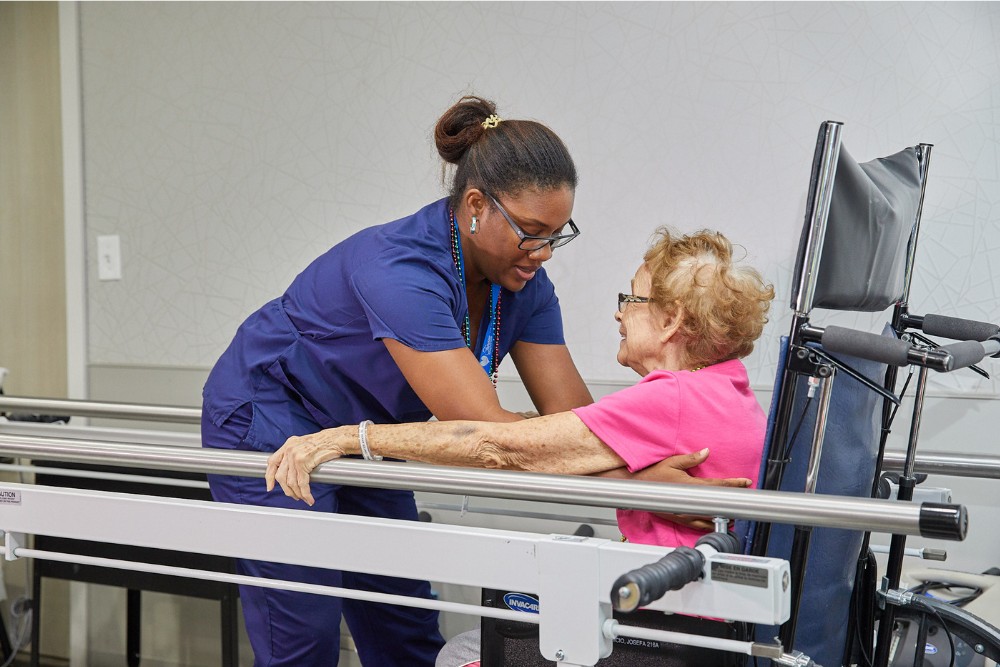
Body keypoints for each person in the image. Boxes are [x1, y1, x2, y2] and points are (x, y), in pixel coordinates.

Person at [202, 95, 729, 667]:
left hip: (366, 433)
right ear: (476, 206)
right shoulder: (399, 269)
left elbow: (578, 421)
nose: (545, 253)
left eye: (558, 234)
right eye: (531, 232)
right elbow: (486, 434)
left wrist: (643, 479)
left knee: (402, 623)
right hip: (272, 414)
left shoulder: (524, 284)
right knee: (303, 628)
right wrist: (647, 480)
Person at [265, 228, 774, 666]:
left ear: (670, 321)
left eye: (633, 300)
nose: (620, 315)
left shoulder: (671, 398)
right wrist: (638, 483)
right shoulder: (725, 393)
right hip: (703, 624)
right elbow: (554, 441)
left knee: (461, 654)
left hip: (668, 631)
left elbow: (498, 446)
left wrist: (347, 438)